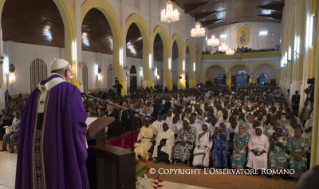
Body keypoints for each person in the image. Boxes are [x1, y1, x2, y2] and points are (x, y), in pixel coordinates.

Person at [15, 59, 114, 189]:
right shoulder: (69, 90)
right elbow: (76, 122)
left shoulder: (34, 94)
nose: (70, 77)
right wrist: (83, 127)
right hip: (57, 151)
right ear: (67, 72)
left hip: (34, 153)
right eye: (71, 73)